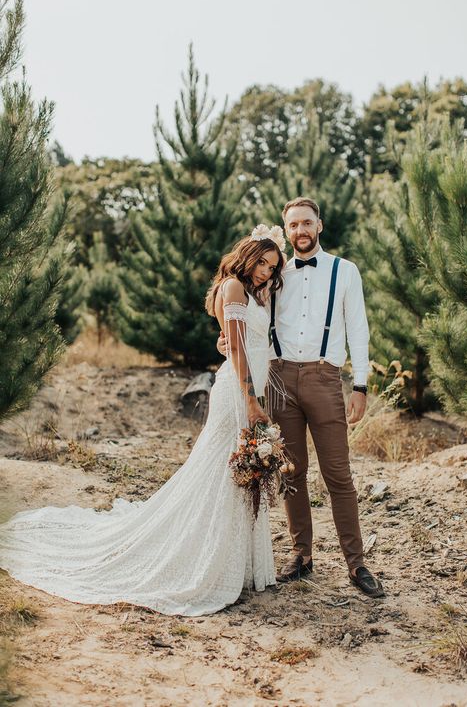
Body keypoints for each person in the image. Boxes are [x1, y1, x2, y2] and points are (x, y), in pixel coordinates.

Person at [0, 228, 286, 616]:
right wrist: (252, 401)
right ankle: (207, 556)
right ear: (247, 255)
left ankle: (237, 559)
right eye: (262, 263)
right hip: (237, 393)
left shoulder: (250, 291)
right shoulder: (234, 287)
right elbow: (234, 346)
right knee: (221, 470)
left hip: (247, 388)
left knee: (231, 472)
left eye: (272, 267)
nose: (266, 272)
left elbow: (237, 339)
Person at [219, 198, 384, 597]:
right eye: (293, 225)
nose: (301, 231)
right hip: (278, 380)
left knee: (338, 475)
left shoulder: (345, 271)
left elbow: (358, 329)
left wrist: (359, 386)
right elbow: (237, 312)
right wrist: (224, 337)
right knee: (291, 472)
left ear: (320, 226)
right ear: (286, 229)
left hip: (325, 378)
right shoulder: (273, 274)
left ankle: (356, 562)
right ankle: (302, 555)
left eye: (307, 223)